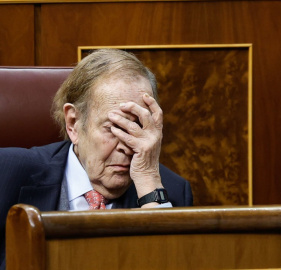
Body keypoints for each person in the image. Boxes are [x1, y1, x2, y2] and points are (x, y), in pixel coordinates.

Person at [0, 49, 193, 268]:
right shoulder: (6, 174)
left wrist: (148, 181)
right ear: (73, 123)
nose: (127, 147)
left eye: (138, 127)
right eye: (114, 128)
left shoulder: (170, 194)